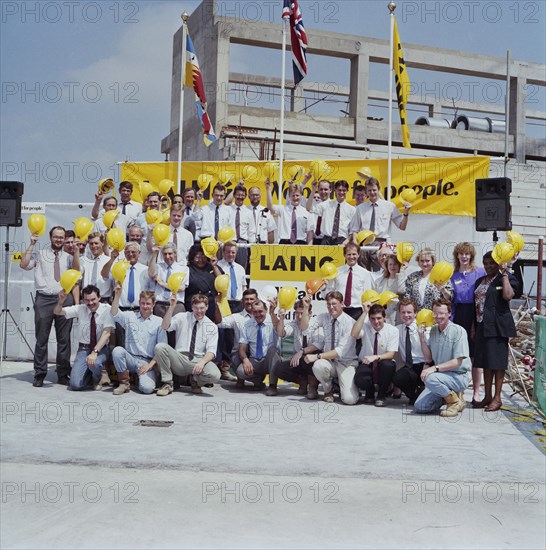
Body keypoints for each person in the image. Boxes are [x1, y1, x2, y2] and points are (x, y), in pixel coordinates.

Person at [20, 226, 76, 387]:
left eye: (62, 237)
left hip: (64, 299)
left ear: (65, 239)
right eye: (56, 237)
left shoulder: (69, 257)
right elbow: (23, 264)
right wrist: (31, 244)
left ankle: (63, 374)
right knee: (41, 339)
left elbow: (77, 274)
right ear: (50, 237)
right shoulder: (40, 254)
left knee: (64, 339)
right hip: (44, 300)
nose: (59, 239)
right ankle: (39, 373)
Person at [472, 251, 518, 411]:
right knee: (485, 362)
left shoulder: (506, 278)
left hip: (498, 327)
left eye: (492, 263)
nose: (488, 266)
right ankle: (488, 396)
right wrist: (474, 326)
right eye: (485, 263)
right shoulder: (480, 280)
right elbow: (476, 304)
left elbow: (508, 295)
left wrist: (504, 274)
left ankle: (497, 399)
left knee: (497, 363)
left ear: (498, 263)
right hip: (482, 326)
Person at [154, 293, 221, 396]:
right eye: (196, 308)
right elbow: (165, 326)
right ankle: (167, 383)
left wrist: (202, 362)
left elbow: (211, 351)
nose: (199, 311)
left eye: (202, 308)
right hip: (179, 358)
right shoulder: (182, 317)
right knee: (160, 347)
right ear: (192, 307)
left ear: (207, 307)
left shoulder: (212, 326)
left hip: (197, 359)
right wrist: (172, 307)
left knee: (215, 375)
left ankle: (195, 381)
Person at [413, 299, 471, 417]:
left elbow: (458, 362)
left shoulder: (458, 331)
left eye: (441, 313)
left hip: (458, 376)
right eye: (435, 313)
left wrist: (434, 368)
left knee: (430, 377)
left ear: (449, 313)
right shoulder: (434, 330)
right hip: (441, 378)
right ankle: (450, 396)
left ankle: (454, 402)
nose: (437, 316)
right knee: (420, 407)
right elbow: (428, 358)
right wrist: (421, 338)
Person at [53, 285, 114, 391]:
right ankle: (88, 376)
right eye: (87, 300)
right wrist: (60, 301)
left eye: (93, 299)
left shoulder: (107, 309)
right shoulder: (80, 308)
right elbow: (57, 312)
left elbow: (107, 333)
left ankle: (97, 378)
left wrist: (94, 352)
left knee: (94, 363)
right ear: (83, 300)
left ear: (99, 297)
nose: (90, 303)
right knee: (75, 385)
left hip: (101, 349)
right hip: (84, 349)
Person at [303, 291, 359, 405]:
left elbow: (339, 352)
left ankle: (345, 385)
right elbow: (305, 329)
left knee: (349, 400)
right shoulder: (323, 317)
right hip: (330, 362)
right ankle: (328, 391)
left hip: (346, 363)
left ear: (342, 304)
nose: (331, 307)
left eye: (334, 304)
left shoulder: (350, 322)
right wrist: (305, 308)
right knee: (318, 366)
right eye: (328, 304)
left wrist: (317, 356)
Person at [111, 284, 166, 395]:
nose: (145, 306)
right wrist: (117, 295)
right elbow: (114, 313)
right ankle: (124, 383)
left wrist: (149, 366)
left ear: (153, 304)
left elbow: (162, 348)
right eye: (142, 303)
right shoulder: (130, 316)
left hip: (146, 361)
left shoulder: (159, 322)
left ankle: (141, 378)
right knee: (117, 351)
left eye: (148, 304)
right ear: (139, 303)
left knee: (147, 389)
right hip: (130, 358)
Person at [266, 295, 323, 399]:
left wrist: (302, 351)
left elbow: (318, 345)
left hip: (312, 358)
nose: (299, 316)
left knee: (314, 358)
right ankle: (303, 382)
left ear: (310, 313)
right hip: (299, 360)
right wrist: (281, 319)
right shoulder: (294, 324)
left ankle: (313, 388)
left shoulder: (316, 323)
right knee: (279, 368)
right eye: (297, 313)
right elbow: (281, 333)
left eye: (302, 313)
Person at [349, 177, 411, 271]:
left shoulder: (389, 206)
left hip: (382, 245)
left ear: (379, 189)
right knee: (363, 275)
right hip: (364, 245)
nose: (372, 192)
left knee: (382, 274)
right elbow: (355, 230)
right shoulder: (360, 208)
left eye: (374, 190)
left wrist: (406, 213)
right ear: (366, 191)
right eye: (369, 190)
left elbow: (402, 226)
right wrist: (356, 246)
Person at [352, 303, 399, 407]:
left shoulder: (393, 330)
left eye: (379, 318)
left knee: (388, 365)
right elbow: (354, 334)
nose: (376, 322)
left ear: (384, 317)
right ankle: (370, 392)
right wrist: (364, 312)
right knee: (360, 379)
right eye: (372, 318)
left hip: (383, 362)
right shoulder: (365, 326)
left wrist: (376, 357)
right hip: (366, 362)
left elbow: (391, 354)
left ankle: (381, 395)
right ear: (369, 319)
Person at [236, 300, 281, 390]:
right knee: (240, 371)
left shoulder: (272, 320)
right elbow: (242, 348)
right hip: (255, 360)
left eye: (260, 311)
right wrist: (246, 360)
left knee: (272, 350)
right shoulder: (247, 325)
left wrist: (272, 313)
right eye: (255, 312)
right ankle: (258, 381)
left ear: (266, 310)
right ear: (252, 313)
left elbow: (279, 328)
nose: (258, 314)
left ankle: (272, 386)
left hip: (270, 360)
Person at [326, 242, 374, 320]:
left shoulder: (365, 273)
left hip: (357, 310)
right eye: (349, 254)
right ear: (344, 255)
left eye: (354, 254)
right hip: (340, 309)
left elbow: (367, 295)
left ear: (358, 255)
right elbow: (330, 292)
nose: (351, 257)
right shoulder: (337, 272)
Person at [392, 298, 428, 404]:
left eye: (409, 312)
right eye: (403, 312)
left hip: (425, 365)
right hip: (409, 367)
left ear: (415, 313)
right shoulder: (396, 330)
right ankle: (414, 396)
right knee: (398, 378)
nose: (406, 315)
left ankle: (424, 390)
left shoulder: (423, 328)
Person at [217, 289, 257, 381]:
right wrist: (217, 305)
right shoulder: (236, 317)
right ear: (242, 301)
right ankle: (240, 379)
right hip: (238, 354)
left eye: (252, 299)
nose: (249, 302)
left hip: (256, 354)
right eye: (246, 299)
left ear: (257, 300)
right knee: (240, 370)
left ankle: (258, 381)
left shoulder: (262, 316)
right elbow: (220, 323)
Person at [306, 179, 355, 245]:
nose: (341, 192)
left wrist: (345, 243)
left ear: (347, 191)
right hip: (326, 240)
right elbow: (308, 208)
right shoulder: (326, 205)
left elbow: (353, 230)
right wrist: (313, 190)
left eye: (344, 190)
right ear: (335, 190)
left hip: (342, 241)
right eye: (339, 190)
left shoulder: (352, 209)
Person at [266, 179, 314, 245]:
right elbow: (270, 206)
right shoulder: (282, 209)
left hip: (301, 242)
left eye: (297, 195)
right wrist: (268, 189)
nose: (295, 198)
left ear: (301, 196)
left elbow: (310, 232)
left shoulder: (306, 211)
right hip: (284, 242)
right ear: (289, 196)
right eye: (293, 195)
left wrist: (309, 248)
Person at [185, 244, 222, 321]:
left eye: (203, 257)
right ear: (192, 257)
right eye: (197, 257)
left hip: (211, 304)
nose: (201, 260)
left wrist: (214, 266)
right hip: (194, 305)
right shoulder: (187, 269)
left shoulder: (212, 267)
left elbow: (221, 281)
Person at [74, 232, 113, 303]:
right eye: (91, 244)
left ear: (102, 243)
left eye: (96, 243)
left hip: (104, 300)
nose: (93, 246)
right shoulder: (83, 260)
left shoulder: (109, 261)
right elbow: (76, 274)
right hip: (86, 300)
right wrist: (76, 251)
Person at [373, 253, 407, 325]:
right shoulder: (379, 281)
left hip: (397, 317)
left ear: (399, 265)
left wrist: (401, 273)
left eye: (395, 264)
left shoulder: (403, 279)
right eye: (390, 264)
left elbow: (401, 290)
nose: (392, 266)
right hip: (382, 318)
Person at [217, 241, 247, 313]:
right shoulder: (217, 266)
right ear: (223, 253)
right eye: (228, 252)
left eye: (233, 252)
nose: (230, 254)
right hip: (224, 303)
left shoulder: (240, 268)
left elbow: (243, 287)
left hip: (238, 304)